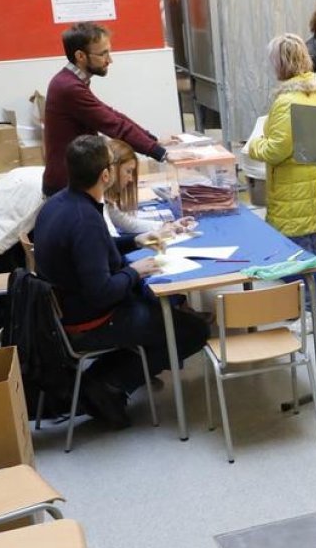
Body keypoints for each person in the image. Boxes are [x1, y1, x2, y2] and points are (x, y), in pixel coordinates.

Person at [34, 135, 208, 428]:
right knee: (193, 331)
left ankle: (102, 380)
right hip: (89, 321)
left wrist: (134, 240)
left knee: (161, 311)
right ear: (105, 175)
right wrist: (135, 271)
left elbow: (93, 253)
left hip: (65, 313)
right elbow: (102, 292)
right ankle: (108, 384)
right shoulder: (85, 220)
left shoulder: (59, 204)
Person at [248, 34, 316, 313]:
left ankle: (313, 309)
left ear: (281, 63)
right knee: (312, 250)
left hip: (293, 188)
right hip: (314, 182)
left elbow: (276, 150)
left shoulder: (287, 101)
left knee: (298, 254)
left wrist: (255, 144)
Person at [43, 22, 170, 196]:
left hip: (74, 181)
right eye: (103, 54)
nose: (109, 60)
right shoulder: (69, 87)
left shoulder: (72, 81)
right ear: (80, 56)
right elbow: (113, 125)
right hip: (66, 187)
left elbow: (111, 114)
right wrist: (161, 153)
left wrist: (153, 141)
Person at [103, 139, 196, 238]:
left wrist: (167, 226)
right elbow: (112, 241)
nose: (130, 179)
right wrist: (141, 240)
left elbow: (127, 223)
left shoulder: (105, 201)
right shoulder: (96, 204)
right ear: (112, 170)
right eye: (128, 171)